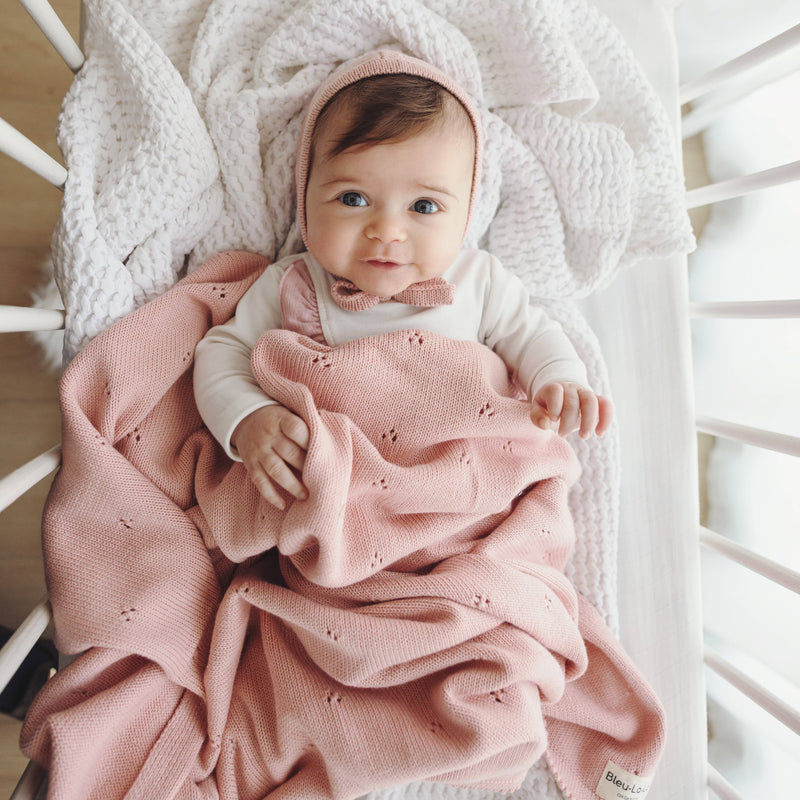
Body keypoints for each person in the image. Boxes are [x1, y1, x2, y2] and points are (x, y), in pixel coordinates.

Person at [193, 50, 612, 510]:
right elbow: (222, 352)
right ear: (304, 195)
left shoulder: (480, 279)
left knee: (503, 578)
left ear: (465, 213)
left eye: (424, 207)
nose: (387, 231)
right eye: (352, 198)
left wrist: (560, 380)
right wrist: (249, 418)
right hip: (340, 504)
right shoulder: (294, 284)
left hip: (467, 503)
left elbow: (532, 334)